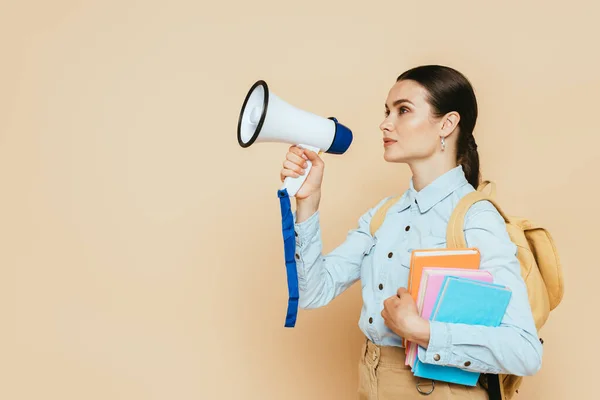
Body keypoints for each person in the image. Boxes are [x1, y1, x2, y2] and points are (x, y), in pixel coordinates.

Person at [279, 65, 543, 399]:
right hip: (370, 382)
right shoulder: (384, 214)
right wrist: (308, 202)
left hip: (437, 388)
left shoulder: (475, 218)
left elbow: (525, 351)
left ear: (447, 124)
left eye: (403, 110)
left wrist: (422, 331)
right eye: (387, 111)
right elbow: (314, 292)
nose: (385, 123)